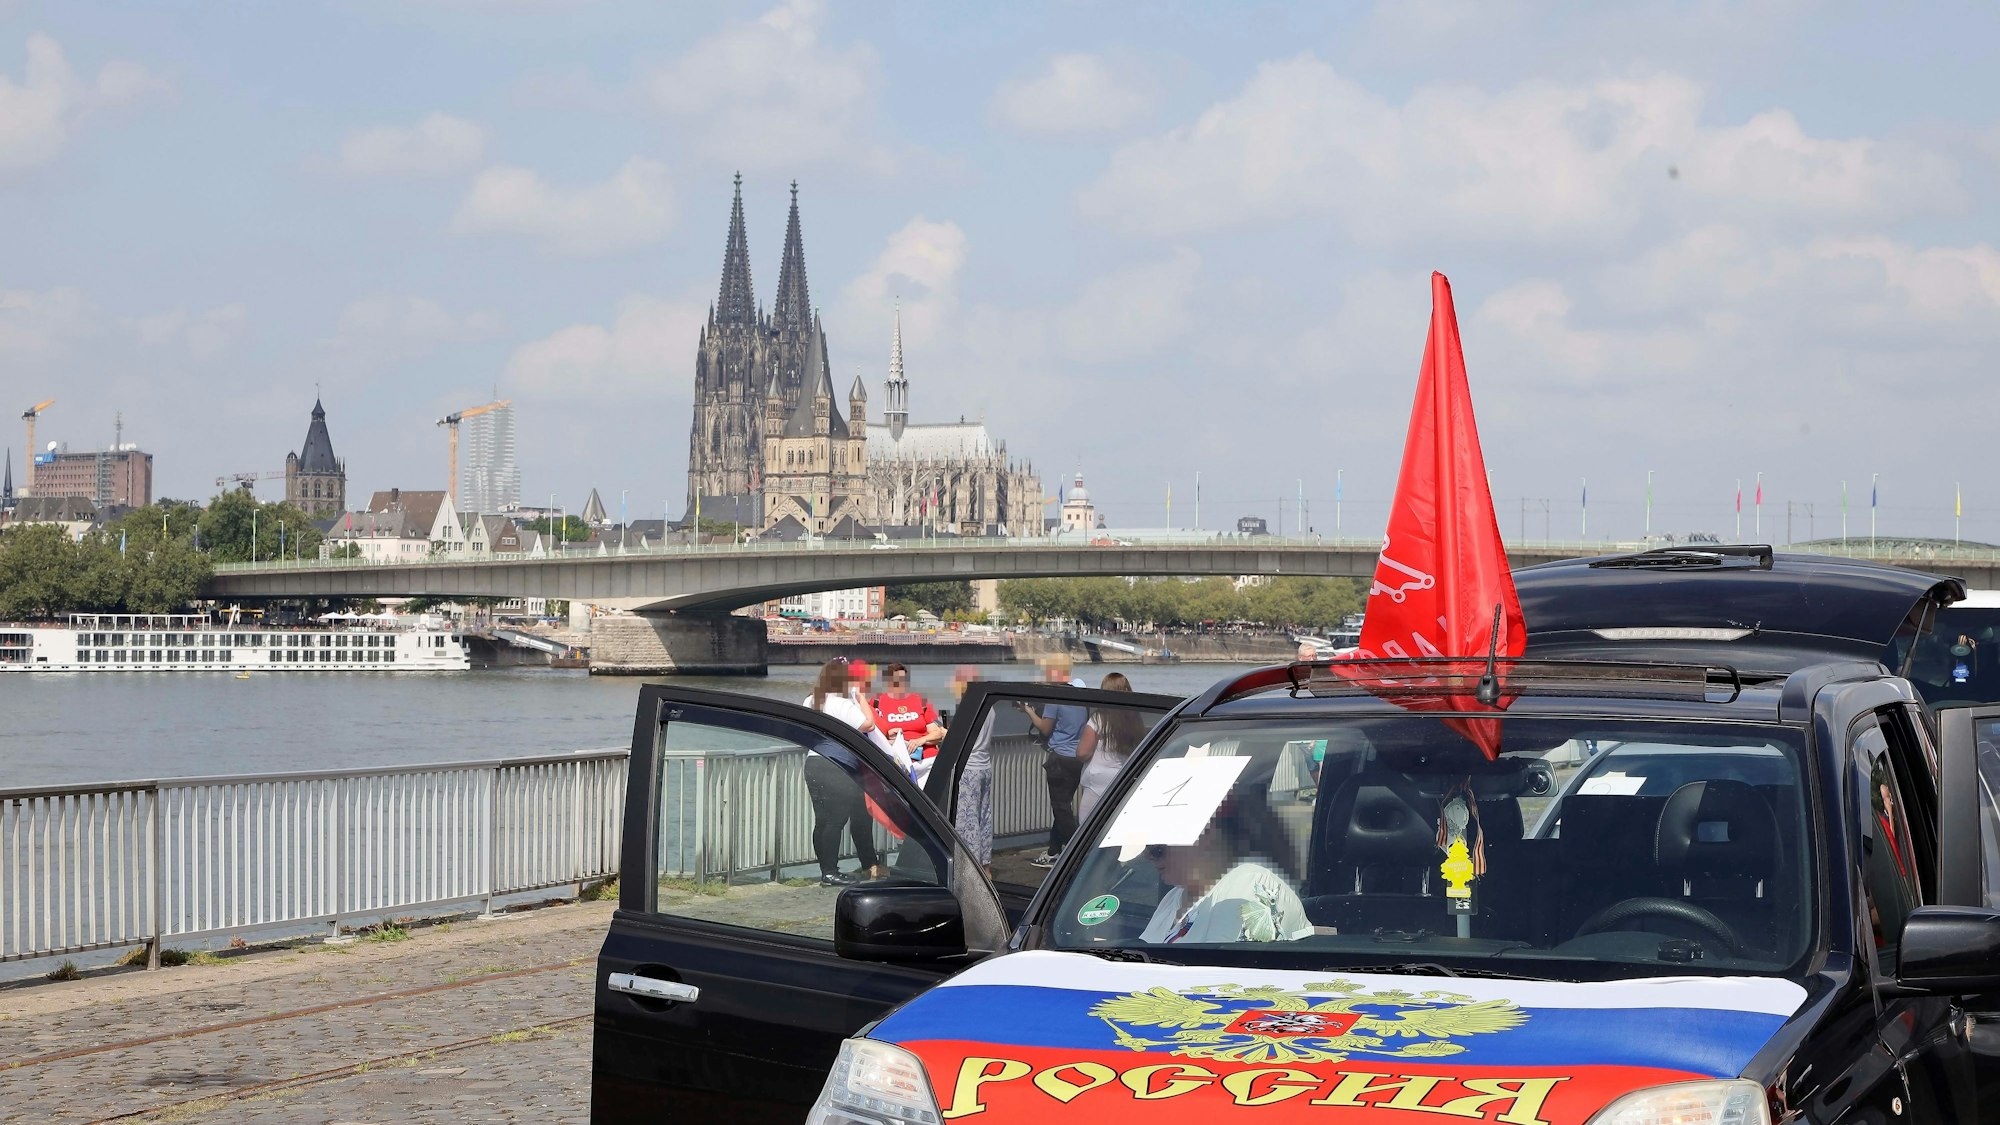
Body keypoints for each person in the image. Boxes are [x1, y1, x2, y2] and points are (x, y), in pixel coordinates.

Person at [1138, 800, 1311, 944]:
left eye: (1158, 847)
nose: (1148, 855)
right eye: (1146, 845)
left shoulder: (1250, 883)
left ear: (1205, 836)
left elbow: (1220, 973)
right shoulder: (1173, 898)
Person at [800, 659, 908, 886]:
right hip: (838, 766)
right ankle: (830, 873)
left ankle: (826, 870)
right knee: (835, 822)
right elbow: (868, 725)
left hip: (814, 764)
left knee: (823, 822)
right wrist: (860, 698)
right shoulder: (841, 703)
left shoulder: (811, 700)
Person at [1022, 654, 1088, 867]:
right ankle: (1053, 851)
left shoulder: (1055, 697)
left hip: (1059, 758)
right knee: (1063, 807)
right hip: (1077, 758)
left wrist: (1029, 712)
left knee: (1060, 808)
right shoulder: (1080, 694)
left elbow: (1045, 728)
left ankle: (1074, 855)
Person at [948, 665, 996, 878]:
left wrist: (943, 731)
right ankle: (986, 865)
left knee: (968, 821)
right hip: (984, 765)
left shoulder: (969, 705)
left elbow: (960, 739)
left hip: (968, 768)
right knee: (983, 817)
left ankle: (970, 869)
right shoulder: (990, 706)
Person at [1076, 672, 1142, 822]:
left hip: (1096, 782)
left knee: (1088, 827)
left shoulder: (1099, 718)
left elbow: (1083, 752)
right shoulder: (1134, 718)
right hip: (1123, 779)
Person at [873, 663, 946, 784]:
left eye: (903, 680)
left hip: (926, 760)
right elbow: (870, 731)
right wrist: (887, 735)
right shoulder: (877, 702)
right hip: (898, 763)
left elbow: (937, 734)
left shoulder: (920, 701)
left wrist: (919, 741)